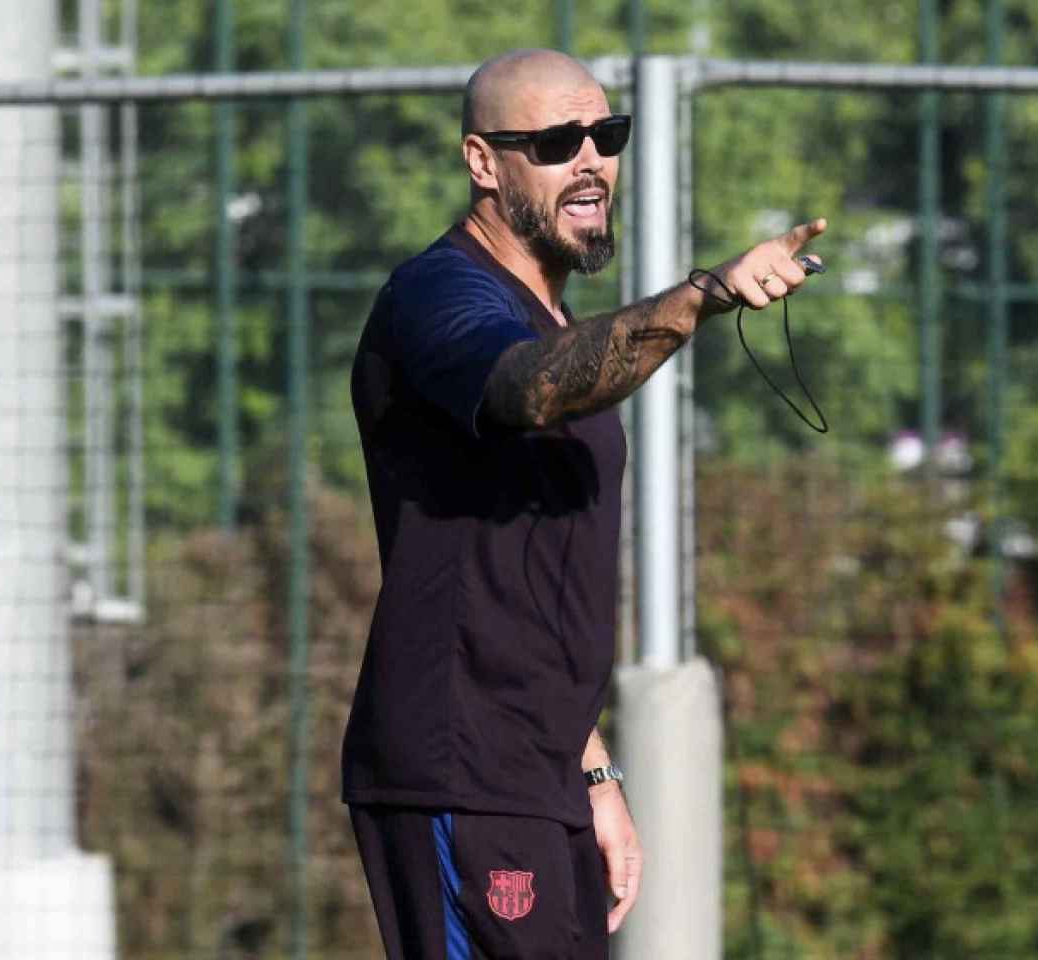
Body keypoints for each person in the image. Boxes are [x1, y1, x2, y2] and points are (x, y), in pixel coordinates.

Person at [343, 47, 827, 959]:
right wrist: (703, 293)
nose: (591, 162)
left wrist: (591, 763)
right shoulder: (440, 295)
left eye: (606, 136)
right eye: (558, 141)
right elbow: (526, 388)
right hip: (462, 770)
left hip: (541, 773)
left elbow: (525, 588)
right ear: (484, 163)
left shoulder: (551, 315)